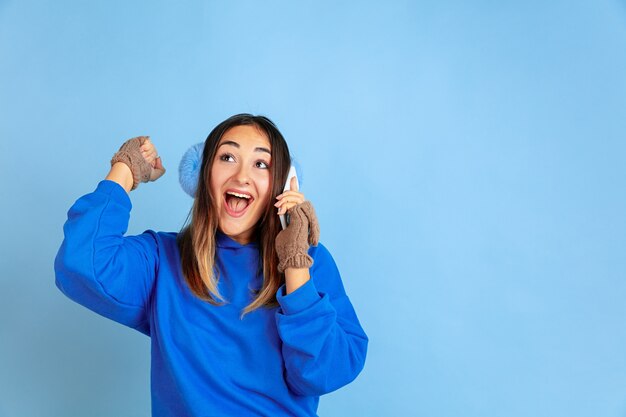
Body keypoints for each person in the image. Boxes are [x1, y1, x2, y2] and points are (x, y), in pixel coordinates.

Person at [54, 114, 368, 417]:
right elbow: (81, 262)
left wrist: (295, 261)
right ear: (203, 176)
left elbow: (323, 373)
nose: (241, 176)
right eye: (227, 158)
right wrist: (125, 170)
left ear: (282, 186)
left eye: (261, 164)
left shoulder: (311, 260)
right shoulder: (163, 260)